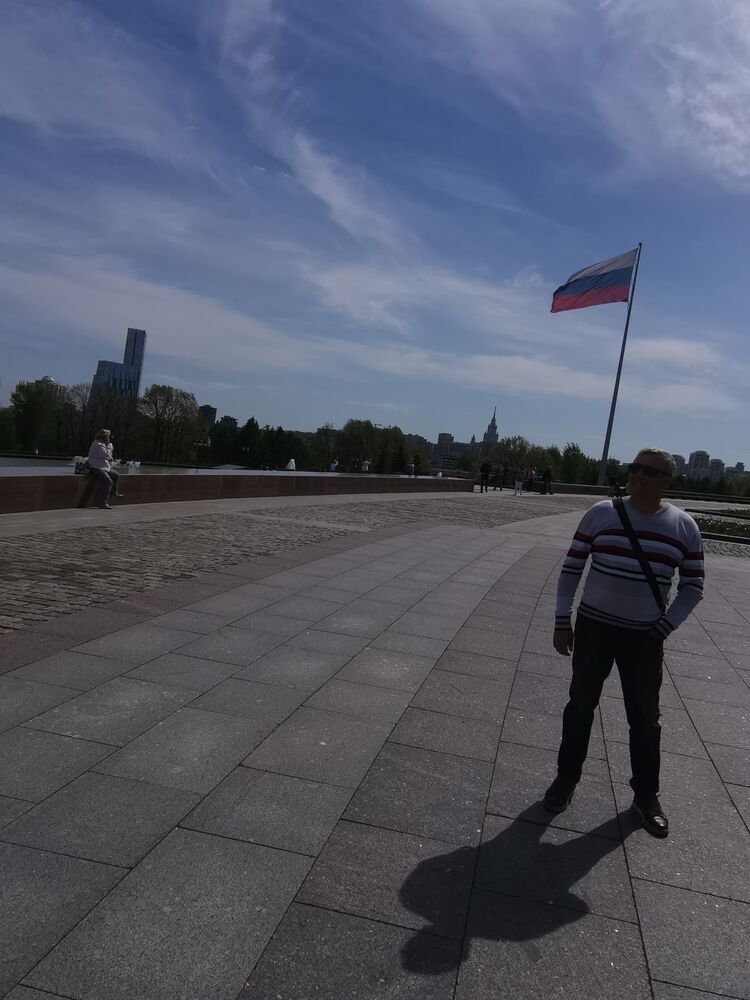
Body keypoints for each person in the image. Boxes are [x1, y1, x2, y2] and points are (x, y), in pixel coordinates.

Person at [544, 448, 704, 838]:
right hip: (594, 629)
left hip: (644, 638)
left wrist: (665, 627)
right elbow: (571, 569)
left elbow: (693, 586)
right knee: (580, 706)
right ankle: (566, 778)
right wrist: (562, 621)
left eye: (648, 470)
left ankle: (646, 796)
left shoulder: (683, 526)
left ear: (667, 480)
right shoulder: (601, 513)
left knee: (645, 719)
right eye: (634, 467)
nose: (637, 475)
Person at [87, 428, 121, 509]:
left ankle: (113, 493)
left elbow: (108, 457)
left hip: (103, 467)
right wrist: (109, 446)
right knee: (108, 481)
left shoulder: (102, 444)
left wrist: (108, 447)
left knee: (116, 475)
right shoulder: (98, 444)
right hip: (95, 468)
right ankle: (103, 503)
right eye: (108, 436)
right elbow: (107, 456)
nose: (109, 438)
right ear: (104, 437)